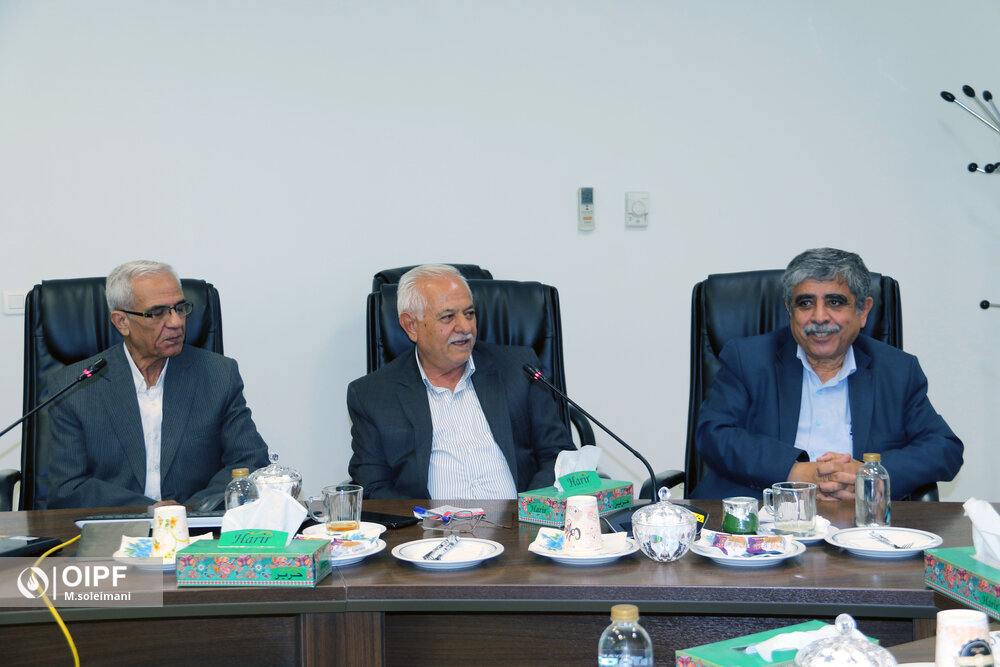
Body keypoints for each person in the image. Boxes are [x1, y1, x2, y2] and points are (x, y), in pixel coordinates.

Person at [693, 248, 963, 501]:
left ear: (863, 311)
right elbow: (713, 434)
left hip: (859, 521)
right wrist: (793, 471)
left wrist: (868, 474)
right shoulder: (747, 359)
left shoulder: (897, 370)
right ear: (790, 311)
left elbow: (945, 449)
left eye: (835, 302)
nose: (820, 317)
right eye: (805, 303)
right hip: (764, 516)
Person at [46, 260, 269, 509]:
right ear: (121, 322)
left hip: (196, 523)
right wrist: (147, 511)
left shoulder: (218, 375)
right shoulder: (75, 387)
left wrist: (189, 511)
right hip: (115, 526)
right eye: (158, 312)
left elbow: (250, 460)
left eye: (180, 308)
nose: (176, 322)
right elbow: (68, 486)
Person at [347, 264, 576, 499]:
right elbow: (374, 488)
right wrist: (427, 519)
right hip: (430, 522)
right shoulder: (372, 396)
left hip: (520, 519)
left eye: (469, 314)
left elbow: (559, 455)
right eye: (448, 317)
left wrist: (530, 510)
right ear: (411, 326)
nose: (465, 327)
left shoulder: (518, 369)